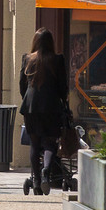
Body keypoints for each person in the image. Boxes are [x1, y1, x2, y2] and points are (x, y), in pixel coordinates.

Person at [19, 28, 69, 195]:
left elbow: (22, 85)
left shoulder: (27, 59)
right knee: (50, 142)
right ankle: (46, 170)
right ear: (51, 43)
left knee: (34, 143)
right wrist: (63, 99)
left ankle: (35, 180)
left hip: (31, 107)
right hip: (51, 106)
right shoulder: (56, 59)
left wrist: (27, 101)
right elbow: (63, 87)